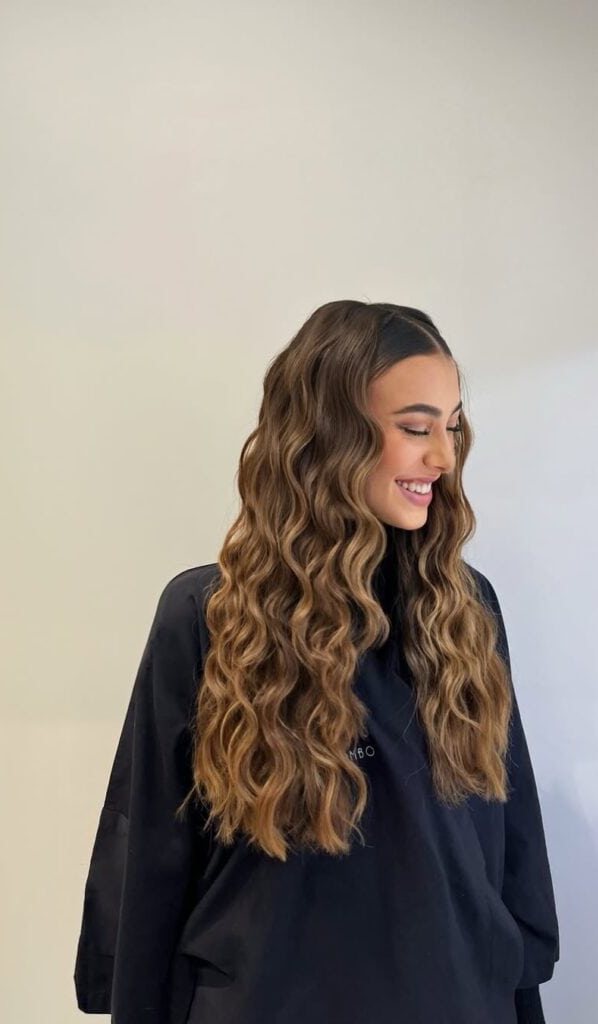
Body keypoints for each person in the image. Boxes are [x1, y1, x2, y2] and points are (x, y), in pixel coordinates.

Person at [73, 300, 560, 1023]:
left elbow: (503, 839)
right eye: (415, 427)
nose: (442, 457)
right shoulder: (211, 618)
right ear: (332, 434)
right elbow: (150, 854)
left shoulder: (462, 611)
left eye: (451, 427)